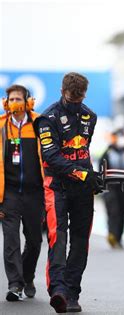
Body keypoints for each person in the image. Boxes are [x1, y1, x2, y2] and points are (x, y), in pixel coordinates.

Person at [34, 72, 103, 313]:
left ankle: (73, 293)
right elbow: (51, 157)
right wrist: (81, 173)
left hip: (82, 189)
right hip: (56, 187)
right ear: (63, 92)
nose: (76, 100)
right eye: (73, 96)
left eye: (81, 96)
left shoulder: (89, 116)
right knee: (58, 238)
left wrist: (93, 178)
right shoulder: (47, 119)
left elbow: (84, 152)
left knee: (81, 241)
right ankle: (59, 290)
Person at [0, 84, 44, 301]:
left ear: (28, 102)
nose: (14, 102)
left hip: (35, 194)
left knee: (35, 240)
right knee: (10, 240)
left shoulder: (40, 124)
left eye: (19, 98)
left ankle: (27, 276)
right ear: (6, 103)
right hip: (8, 194)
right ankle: (15, 284)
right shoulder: (0, 128)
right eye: (11, 99)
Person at [101, 129, 124, 249]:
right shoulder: (108, 153)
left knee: (123, 212)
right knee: (113, 211)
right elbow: (102, 170)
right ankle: (112, 233)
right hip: (111, 187)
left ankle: (119, 238)